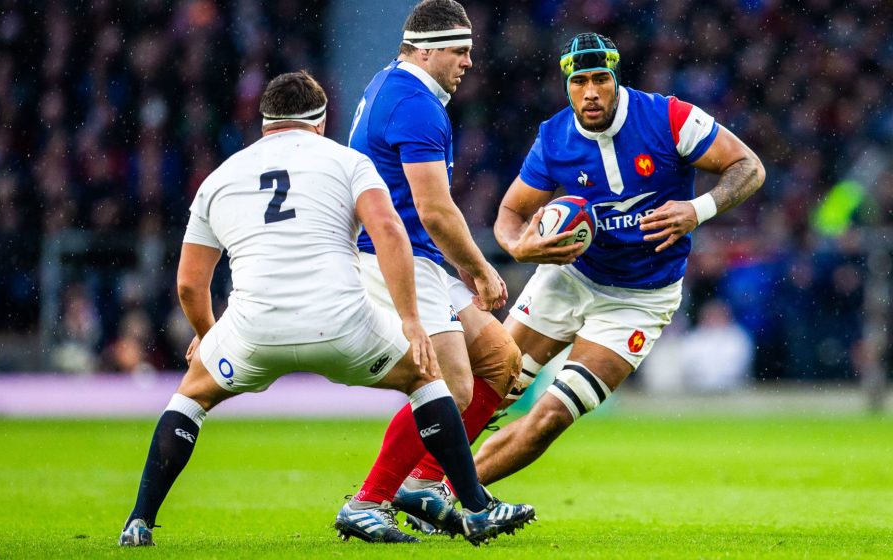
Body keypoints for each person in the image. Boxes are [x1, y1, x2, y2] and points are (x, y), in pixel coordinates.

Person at [117, 71, 525, 547]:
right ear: (322, 120)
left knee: (190, 399)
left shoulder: (219, 177)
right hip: (341, 326)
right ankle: (473, 507)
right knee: (429, 382)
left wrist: (209, 336)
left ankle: (139, 520)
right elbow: (390, 234)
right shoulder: (348, 162)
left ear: (264, 121)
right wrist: (411, 322)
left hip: (254, 330)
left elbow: (190, 283)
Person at [402, 32, 766, 532]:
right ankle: (397, 490)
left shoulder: (669, 118)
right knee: (490, 388)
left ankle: (442, 498)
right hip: (568, 279)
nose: (590, 91)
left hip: (640, 300)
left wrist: (697, 209)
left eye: (600, 79)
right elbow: (510, 213)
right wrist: (520, 248)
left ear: (616, 81)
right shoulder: (554, 138)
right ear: (567, 86)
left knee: (550, 417)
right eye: (579, 82)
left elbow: (749, 165)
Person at [334, 0, 533, 542]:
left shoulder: (389, 85)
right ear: (425, 49)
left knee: (501, 361)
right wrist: (479, 268)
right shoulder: (416, 104)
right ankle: (369, 499)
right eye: (459, 51)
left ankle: (425, 484)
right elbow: (434, 210)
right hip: (397, 258)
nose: (468, 62)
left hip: (414, 254)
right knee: (453, 389)